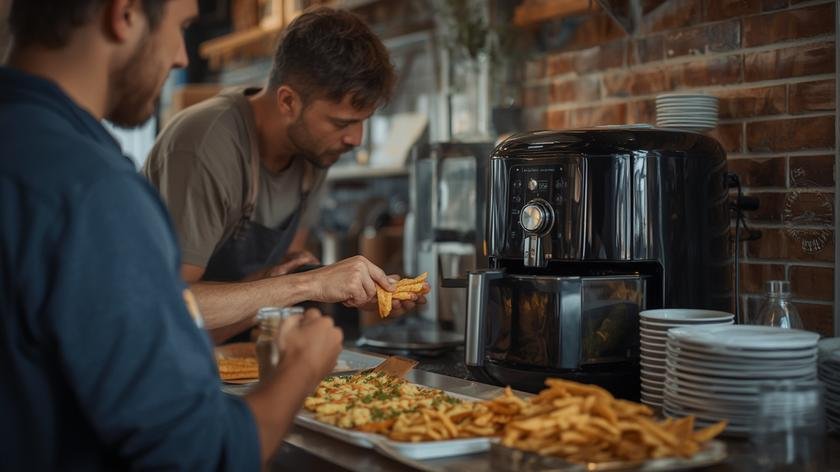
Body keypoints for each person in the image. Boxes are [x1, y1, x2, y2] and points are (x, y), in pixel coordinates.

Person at [0, 0, 340, 468]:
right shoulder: (93, 193)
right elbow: (197, 455)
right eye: (181, 28)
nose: (182, 56)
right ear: (125, 14)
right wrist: (301, 368)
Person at [143, 7, 422, 342]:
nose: (356, 139)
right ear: (288, 101)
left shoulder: (315, 152)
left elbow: (276, 282)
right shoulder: (205, 144)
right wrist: (311, 283)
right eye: (342, 123)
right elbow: (172, 306)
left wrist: (357, 292)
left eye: (363, 121)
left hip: (233, 349)